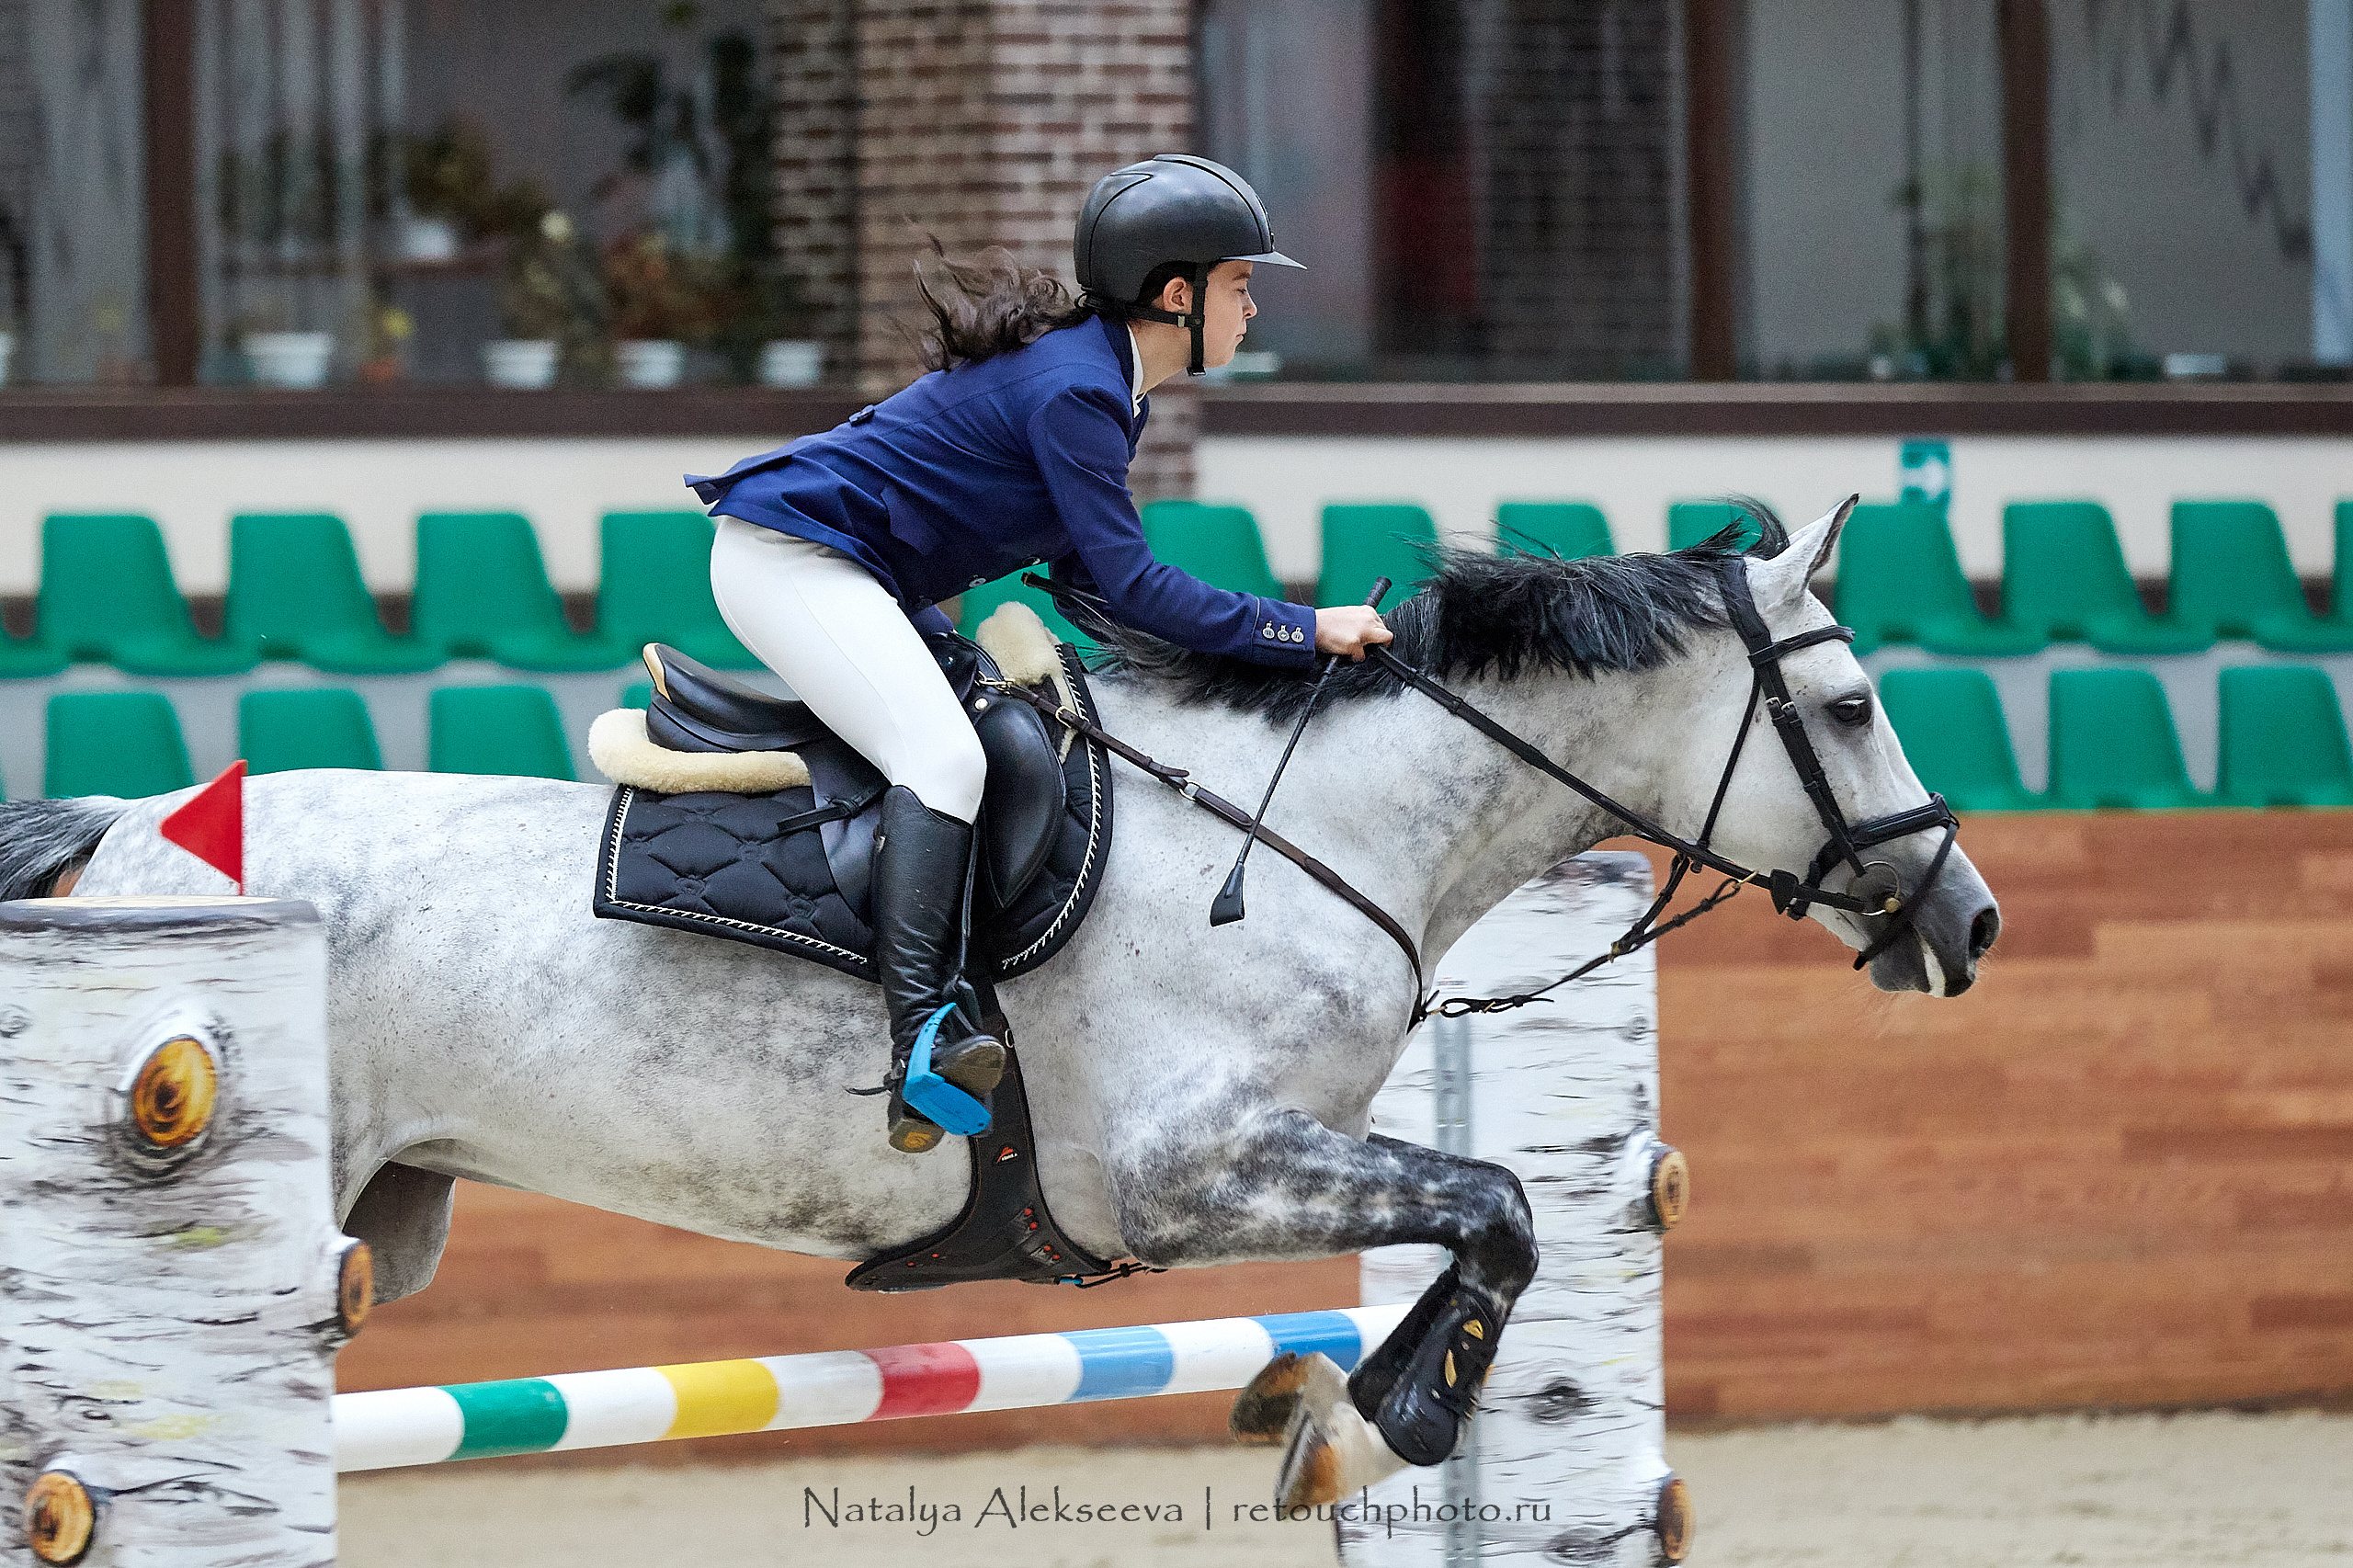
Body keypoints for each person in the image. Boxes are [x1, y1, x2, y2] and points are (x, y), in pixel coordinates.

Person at [685, 153, 1393, 1154]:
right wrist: (1299, 627)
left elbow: (1089, 586)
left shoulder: (1106, 384)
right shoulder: (1078, 392)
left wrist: (1259, 660)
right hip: (790, 560)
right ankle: (922, 1036)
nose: (1252, 311)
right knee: (943, 758)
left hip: (849, 571)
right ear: (1176, 294)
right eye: (1241, 286)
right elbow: (1137, 586)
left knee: (995, 731)